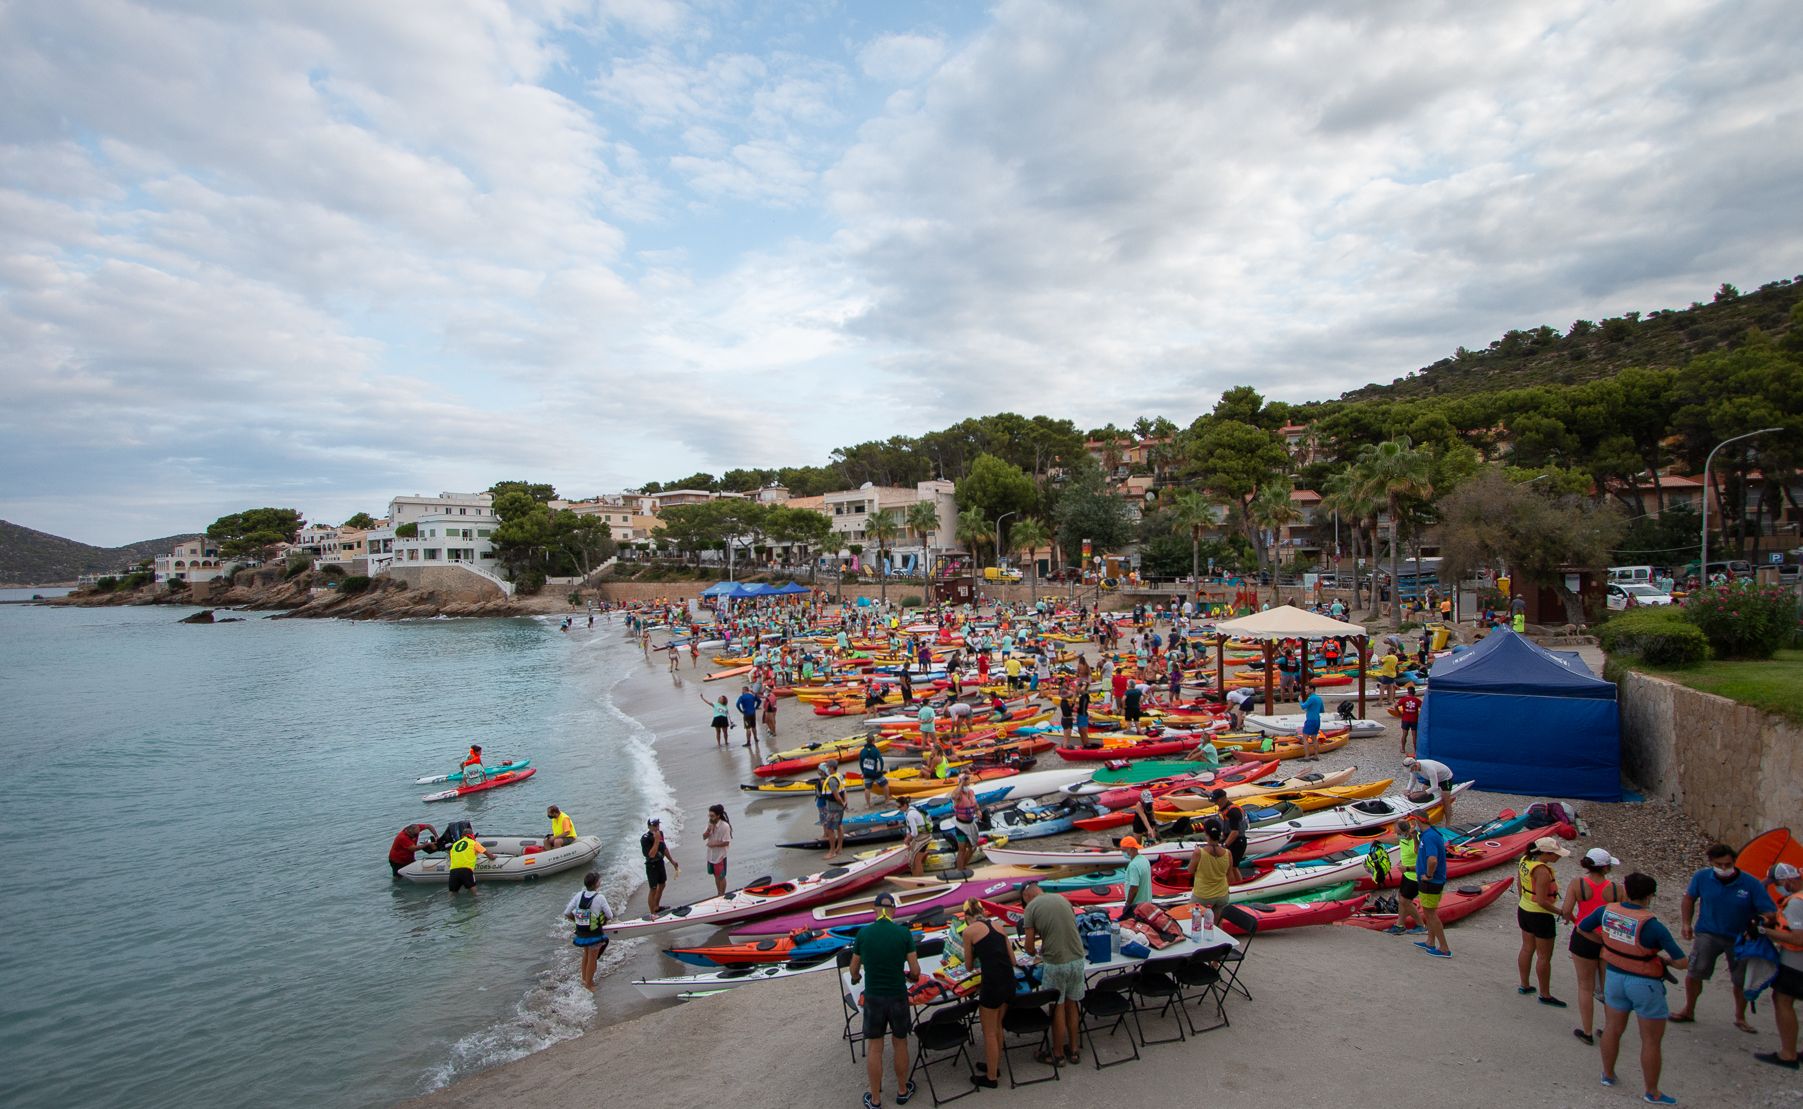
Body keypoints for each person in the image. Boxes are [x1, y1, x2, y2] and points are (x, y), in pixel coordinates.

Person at [1579, 872, 1688, 1105]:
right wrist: (1664, 961)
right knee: (1650, 1040)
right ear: (1650, 896)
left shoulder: (1606, 911)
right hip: (1644, 983)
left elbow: (1583, 928)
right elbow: (1681, 962)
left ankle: (1607, 1075)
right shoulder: (1653, 926)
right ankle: (1652, 1091)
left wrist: (1607, 944)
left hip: (1615, 977)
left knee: (1612, 1028)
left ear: (1625, 890)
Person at [1668, 842, 1776, 1030]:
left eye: (1727, 864)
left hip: (1740, 937)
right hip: (1708, 932)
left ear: (1734, 862)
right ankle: (1689, 1009)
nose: (1724, 868)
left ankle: (1740, 1017)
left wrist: (1759, 921)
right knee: (1695, 972)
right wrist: (1686, 923)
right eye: (1719, 865)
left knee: (1740, 979)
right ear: (1711, 863)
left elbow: (1769, 912)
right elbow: (1689, 898)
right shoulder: (1702, 877)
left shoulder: (1750, 883)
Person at [849, 891, 922, 1109]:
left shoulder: (864, 934)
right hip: (897, 996)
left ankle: (875, 1099)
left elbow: (853, 969)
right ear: (893, 911)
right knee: (900, 1043)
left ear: (874, 910)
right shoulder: (902, 933)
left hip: (874, 998)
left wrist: (856, 977)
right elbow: (916, 971)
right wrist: (912, 977)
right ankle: (901, 1091)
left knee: (875, 1047)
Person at [1561, 847, 1625, 1045]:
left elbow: (1566, 910)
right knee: (1607, 989)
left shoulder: (1577, 884)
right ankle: (1609, 1030)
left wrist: (1576, 922)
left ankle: (1587, 1031)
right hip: (1607, 940)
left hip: (1583, 937)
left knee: (1585, 986)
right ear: (1606, 867)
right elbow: (1622, 917)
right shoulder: (1616, 889)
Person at [1021, 883, 1085, 1065]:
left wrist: (1035, 954)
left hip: (1056, 962)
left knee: (1057, 1006)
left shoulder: (1031, 908)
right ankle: (1074, 1050)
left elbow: (1029, 946)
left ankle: (1057, 1054)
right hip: (1077, 958)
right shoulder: (1063, 899)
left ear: (1026, 896)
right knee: (1072, 1004)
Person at [961, 900, 1017, 1086]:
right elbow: (1013, 960)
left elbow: (968, 965)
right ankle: (994, 1066)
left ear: (967, 917)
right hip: (1008, 981)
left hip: (993, 984)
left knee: (989, 1032)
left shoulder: (969, 931)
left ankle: (991, 1078)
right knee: (997, 1026)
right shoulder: (998, 926)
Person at [1758, 862, 1803, 1069]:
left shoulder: (1795, 902)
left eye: (1777, 884)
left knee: (1782, 1000)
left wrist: (1765, 932)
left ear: (1787, 880)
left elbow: (1798, 938)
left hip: (1795, 963)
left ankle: (1788, 1054)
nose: (1777, 887)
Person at [1516, 835, 1570, 1005]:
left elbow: (1520, 884)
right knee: (1544, 956)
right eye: (1556, 854)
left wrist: (1523, 901)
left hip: (1524, 909)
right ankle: (1545, 995)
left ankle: (1524, 985)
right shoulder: (1542, 872)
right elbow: (1541, 901)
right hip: (1540, 915)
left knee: (1526, 948)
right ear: (1545, 853)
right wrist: (1561, 912)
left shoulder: (1525, 860)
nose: (1558, 857)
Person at [1410, 812, 1453, 958]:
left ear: (1417, 820)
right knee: (1429, 913)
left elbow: (1433, 860)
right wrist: (1414, 837)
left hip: (1431, 882)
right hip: (1429, 880)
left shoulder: (1430, 837)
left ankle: (1444, 947)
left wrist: (1428, 875)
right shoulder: (1427, 834)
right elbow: (1418, 852)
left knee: (1431, 914)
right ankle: (1430, 941)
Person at [564, 871, 613, 989]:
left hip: (581, 932)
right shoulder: (600, 897)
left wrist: (577, 921)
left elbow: (566, 913)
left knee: (586, 954)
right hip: (594, 933)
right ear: (597, 884)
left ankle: (584, 979)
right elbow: (610, 915)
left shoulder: (579, 895)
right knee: (592, 957)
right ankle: (589, 984)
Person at [1379, 819, 1424, 936]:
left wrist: (1414, 838)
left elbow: (1422, 858)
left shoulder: (1417, 839)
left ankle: (1421, 925)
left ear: (1406, 831)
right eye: (1396, 832)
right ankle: (1400, 925)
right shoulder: (1402, 838)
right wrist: (1378, 840)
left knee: (1405, 900)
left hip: (1415, 875)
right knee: (1402, 899)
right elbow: (1395, 840)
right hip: (1406, 874)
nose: (1398, 835)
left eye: (1399, 833)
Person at [1188, 821, 1232, 919]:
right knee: (1218, 923)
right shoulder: (1228, 853)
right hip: (1222, 894)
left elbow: (1190, 870)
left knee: (1191, 920)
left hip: (1202, 895)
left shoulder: (1199, 852)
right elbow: (1230, 875)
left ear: (1206, 833)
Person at [641, 818, 679, 914]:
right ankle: (652, 913)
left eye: (658, 825)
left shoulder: (660, 833)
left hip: (660, 862)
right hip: (651, 865)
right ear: (649, 826)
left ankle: (656, 906)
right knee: (653, 888)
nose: (656, 828)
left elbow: (664, 848)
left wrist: (672, 861)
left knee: (662, 884)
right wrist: (656, 840)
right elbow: (651, 854)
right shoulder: (645, 838)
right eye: (654, 826)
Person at [1402, 756, 1456, 824]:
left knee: (1445, 800)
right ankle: (1428, 812)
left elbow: (1435, 787)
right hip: (1431, 777)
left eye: (1412, 769)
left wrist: (1421, 793)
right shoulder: (1413, 768)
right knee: (1424, 794)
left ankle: (1448, 823)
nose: (1411, 771)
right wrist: (1408, 789)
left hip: (1445, 778)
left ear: (1416, 765)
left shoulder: (1429, 769)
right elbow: (1412, 780)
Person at [1211, 788, 1250, 878]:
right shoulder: (1224, 809)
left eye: (1216, 801)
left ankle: (1237, 885)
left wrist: (1224, 845)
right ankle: (1232, 883)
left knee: (1232, 867)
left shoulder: (1233, 812)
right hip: (1231, 840)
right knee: (1228, 866)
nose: (1215, 803)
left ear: (1220, 799)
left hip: (1238, 842)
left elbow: (1235, 832)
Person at [445, 824, 487, 898]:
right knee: (475, 893)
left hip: (453, 871)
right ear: (471, 835)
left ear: (462, 836)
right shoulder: (474, 843)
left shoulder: (455, 845)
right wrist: (493, 857)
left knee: (452, 893)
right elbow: (487, 853)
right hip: (466, 870)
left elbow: (451, 857)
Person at [951, 773, 982, 870]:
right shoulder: (958, 795)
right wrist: (961, 783)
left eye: (967, 782)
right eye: (965, 782)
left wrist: (978, 810)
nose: (967, 785)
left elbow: (975, 804)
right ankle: (960, 870)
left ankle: (962, 866)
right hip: (960, 825)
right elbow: (954, 795)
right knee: (962, 849)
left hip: (970, 823)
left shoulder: (971, 792)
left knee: (973, 847)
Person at [820, 761, 849, 860]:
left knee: (830, 829)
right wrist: (845, 803)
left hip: (834, 808)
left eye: (828, 767)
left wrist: (842, 804)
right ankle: (839, 848)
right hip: (839, 807)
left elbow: (836, 796)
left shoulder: (832, 780)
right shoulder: (839, 776)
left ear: (832, 768)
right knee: (839, 826)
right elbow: (844, 791)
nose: (827, 769)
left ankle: (832, 852)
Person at [703, 804, 733, 897]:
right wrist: (708, 830)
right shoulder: (710, 823)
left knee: (721, 876)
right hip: (711, 855)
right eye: (709, 815)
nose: (710, 817)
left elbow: (726, 842)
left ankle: (722, 894)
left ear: (718, 816)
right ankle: (719, 893)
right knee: (715, 875)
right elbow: (704, 837)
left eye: (712, 816)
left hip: (720, 856)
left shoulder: (725, 826)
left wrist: (714, 844)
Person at [1120, 836, 1154, 912]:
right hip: (1147, 904)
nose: (1122, 853)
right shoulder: (1144, 859)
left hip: (1137, 907)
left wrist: (1128, 904)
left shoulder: (1133, 866)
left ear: (1131, 849)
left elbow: (1134, 888)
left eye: (1123, 850)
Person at [857, 732, 889, 808]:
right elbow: (881, 760)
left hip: (867, 773)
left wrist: (863, 772)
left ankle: (868, 804)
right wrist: (881, 770)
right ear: (873, 741)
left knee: (867, 788)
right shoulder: (875, 750)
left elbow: (860, 763)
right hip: (876, 773)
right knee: (885, 784)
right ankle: (887, 800)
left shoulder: (862, 751)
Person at [902, 797, 931, 878]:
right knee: (914, 859)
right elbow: (909, 827)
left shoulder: (910, 814)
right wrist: (908, 837)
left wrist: (908, 839)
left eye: (899, 807)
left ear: (904, 805)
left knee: (916, 860)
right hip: (923, 836)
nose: (898, 809)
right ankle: (915, 877)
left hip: (923, 837)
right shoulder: (907, 812)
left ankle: (920, 880)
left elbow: (914, 832)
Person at [1297, 681, 1324, 760]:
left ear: (1312, 689)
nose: (1306, 691)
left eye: (1307, 689)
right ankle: (1316, 756)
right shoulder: (1319, 698)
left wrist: (1300, 700)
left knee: (1305, 738)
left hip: (1311, 720)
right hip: (1317, 720)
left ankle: (1307, 756)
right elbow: (1322, 710)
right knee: (1314, 738)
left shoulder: (1311, 698)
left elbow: (1303, 706)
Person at [1395, 682, 1423, 756]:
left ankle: (1403, 748)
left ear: (1408, 692)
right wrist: (1420, 716)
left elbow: (1396, 705)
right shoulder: (1417, 700)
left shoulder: (1403, 699)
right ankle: (1415, 750)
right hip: (1414, 719)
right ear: (1414, 693)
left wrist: (1399, 713)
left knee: (1404, 734)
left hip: (1405, 719)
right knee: (1414, 735)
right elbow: (1423, 708)